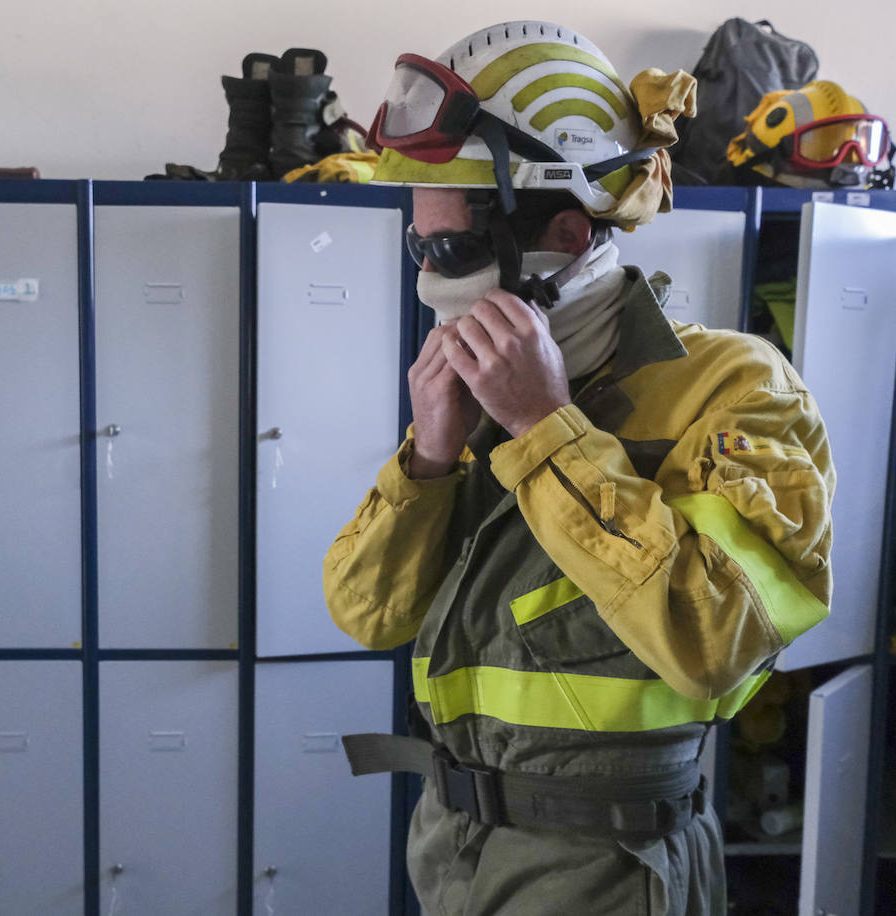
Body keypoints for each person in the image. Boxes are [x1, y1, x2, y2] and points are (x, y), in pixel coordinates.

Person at [324, 21, 836, 916]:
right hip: (452, 850)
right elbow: (367, 614)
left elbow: (712, 642)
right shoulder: (476, 407)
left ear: (563, 229)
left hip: (610, 865)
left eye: (452, 252)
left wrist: (546, 427)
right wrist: (432, 457)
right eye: (421, 248)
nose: (430, 285)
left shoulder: (737, 388)